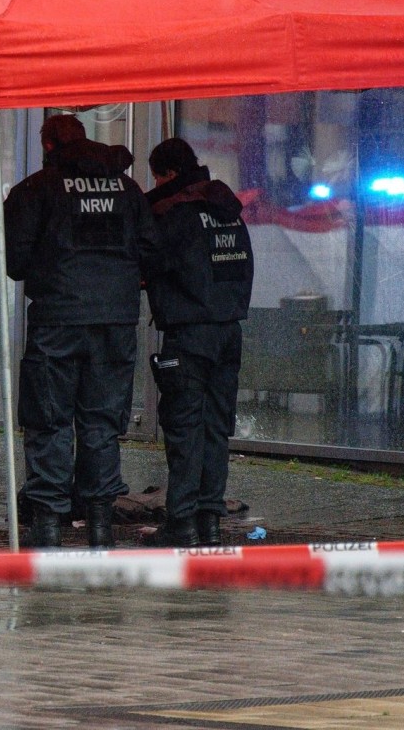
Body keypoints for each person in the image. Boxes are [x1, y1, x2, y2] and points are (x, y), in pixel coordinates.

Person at [0, 114, 158, 549]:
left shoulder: (36, 190)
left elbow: (10, 260)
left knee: (49, 421)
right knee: (102, 423)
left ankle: (48, 526)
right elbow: (151, 251)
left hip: (58, 321)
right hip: (115, 323)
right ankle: (100, 528)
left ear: (48, 145)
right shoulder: (128, 190)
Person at [142, 138, 254, 547]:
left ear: (168, 174)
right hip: (229, 332)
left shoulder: (174, 215)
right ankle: (210, 522)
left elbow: (149, 265)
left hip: (190, 334)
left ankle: (182, 524)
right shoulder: (229, 212)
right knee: (215, 430)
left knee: (185, 430)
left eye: (156, 177)